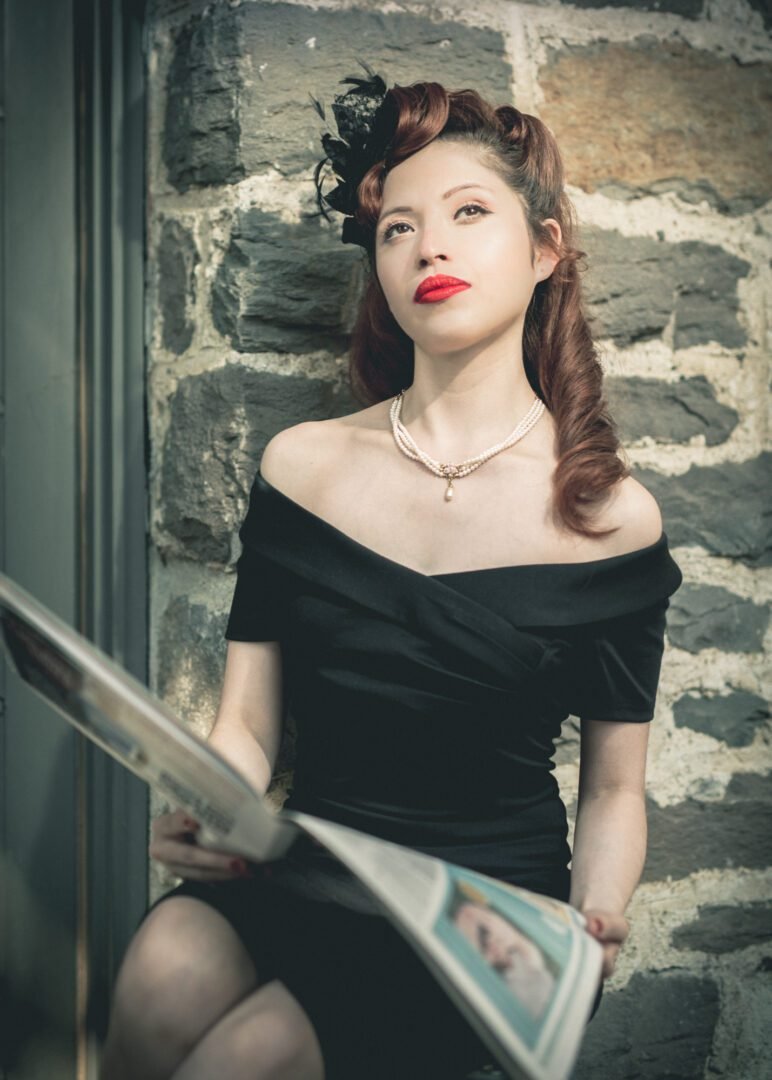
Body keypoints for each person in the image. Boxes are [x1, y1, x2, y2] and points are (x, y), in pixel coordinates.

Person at [100, 70, 683, 1080]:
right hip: (311, 866)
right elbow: (246, 727)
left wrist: (595, 917)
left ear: (545, 250)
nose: (430, 247)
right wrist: (216, 808)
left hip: (481, 910)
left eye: (467, 213)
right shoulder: (301, 466)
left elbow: (612, 790)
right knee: (157, 968)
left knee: (250, 1059)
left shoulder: (611, 519)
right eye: (397, 229)